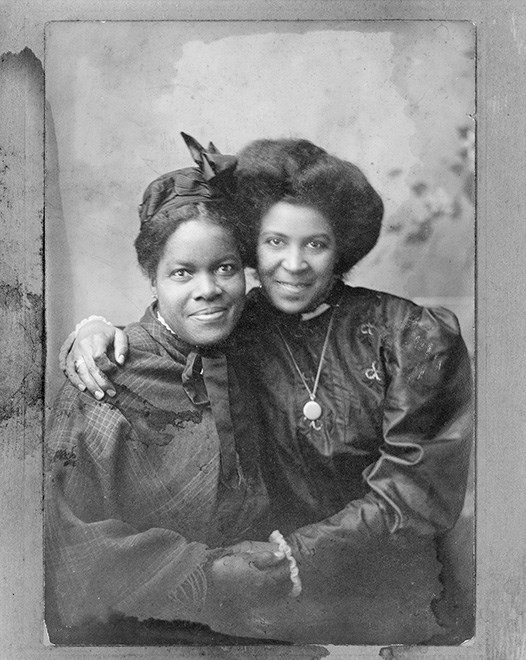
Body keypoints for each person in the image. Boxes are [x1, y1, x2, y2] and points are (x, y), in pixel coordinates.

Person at [60, 137, 473, 645]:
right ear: (254, 244)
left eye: (315, 244)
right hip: (268, 605)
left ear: (342, 245)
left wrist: (294, 555)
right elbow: (170, 326)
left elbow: (418, 489)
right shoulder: (241, 321)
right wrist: (92, 331)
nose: (293, 264)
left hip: (387, 593)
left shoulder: (411, 337)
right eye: (276, 242)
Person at [45, 134, 294, 646]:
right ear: (151, 277)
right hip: (141, 634)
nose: (208, 289)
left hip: (271, 616)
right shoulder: (104, 377)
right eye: (182, 273)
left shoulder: (261, 339)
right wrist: (207, 573)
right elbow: (64, 542)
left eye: (225, 268)